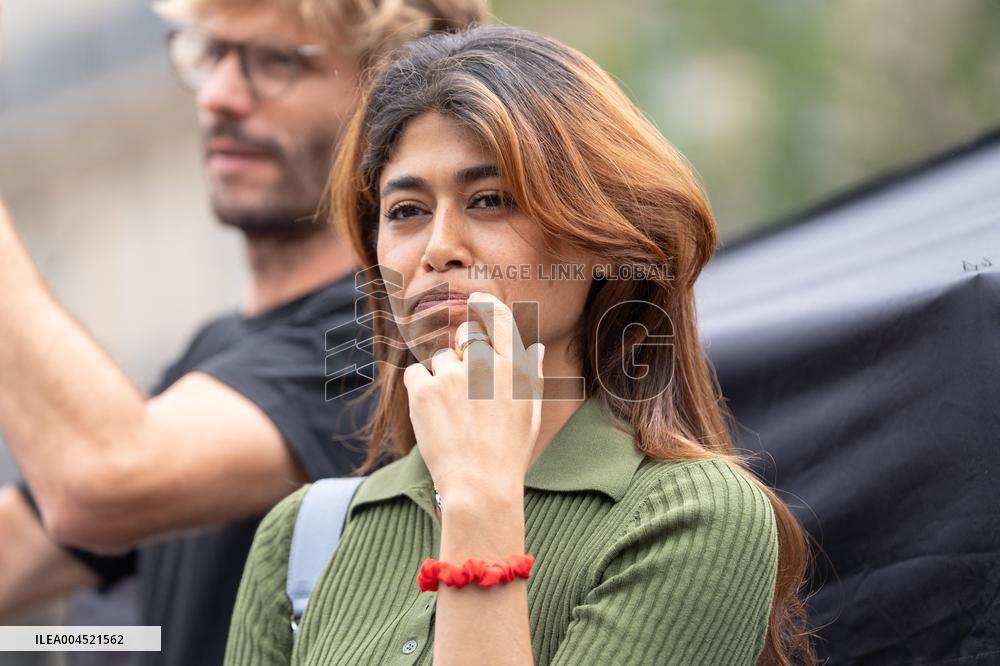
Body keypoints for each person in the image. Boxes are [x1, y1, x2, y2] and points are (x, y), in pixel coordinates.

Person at [225, 24, 816, 665]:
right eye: (406, 211)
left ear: (603, 241)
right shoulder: (304, 540)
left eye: (490, 200)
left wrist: (479, 497)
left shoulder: (694, 518)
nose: (438, 248)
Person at [0, 0, 486, 664]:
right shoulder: (217, 350)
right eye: (212, 53)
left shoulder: (389, 339)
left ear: (393, 103)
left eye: (275, 61)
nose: (219, 96)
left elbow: (98, 482)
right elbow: (20, 553)